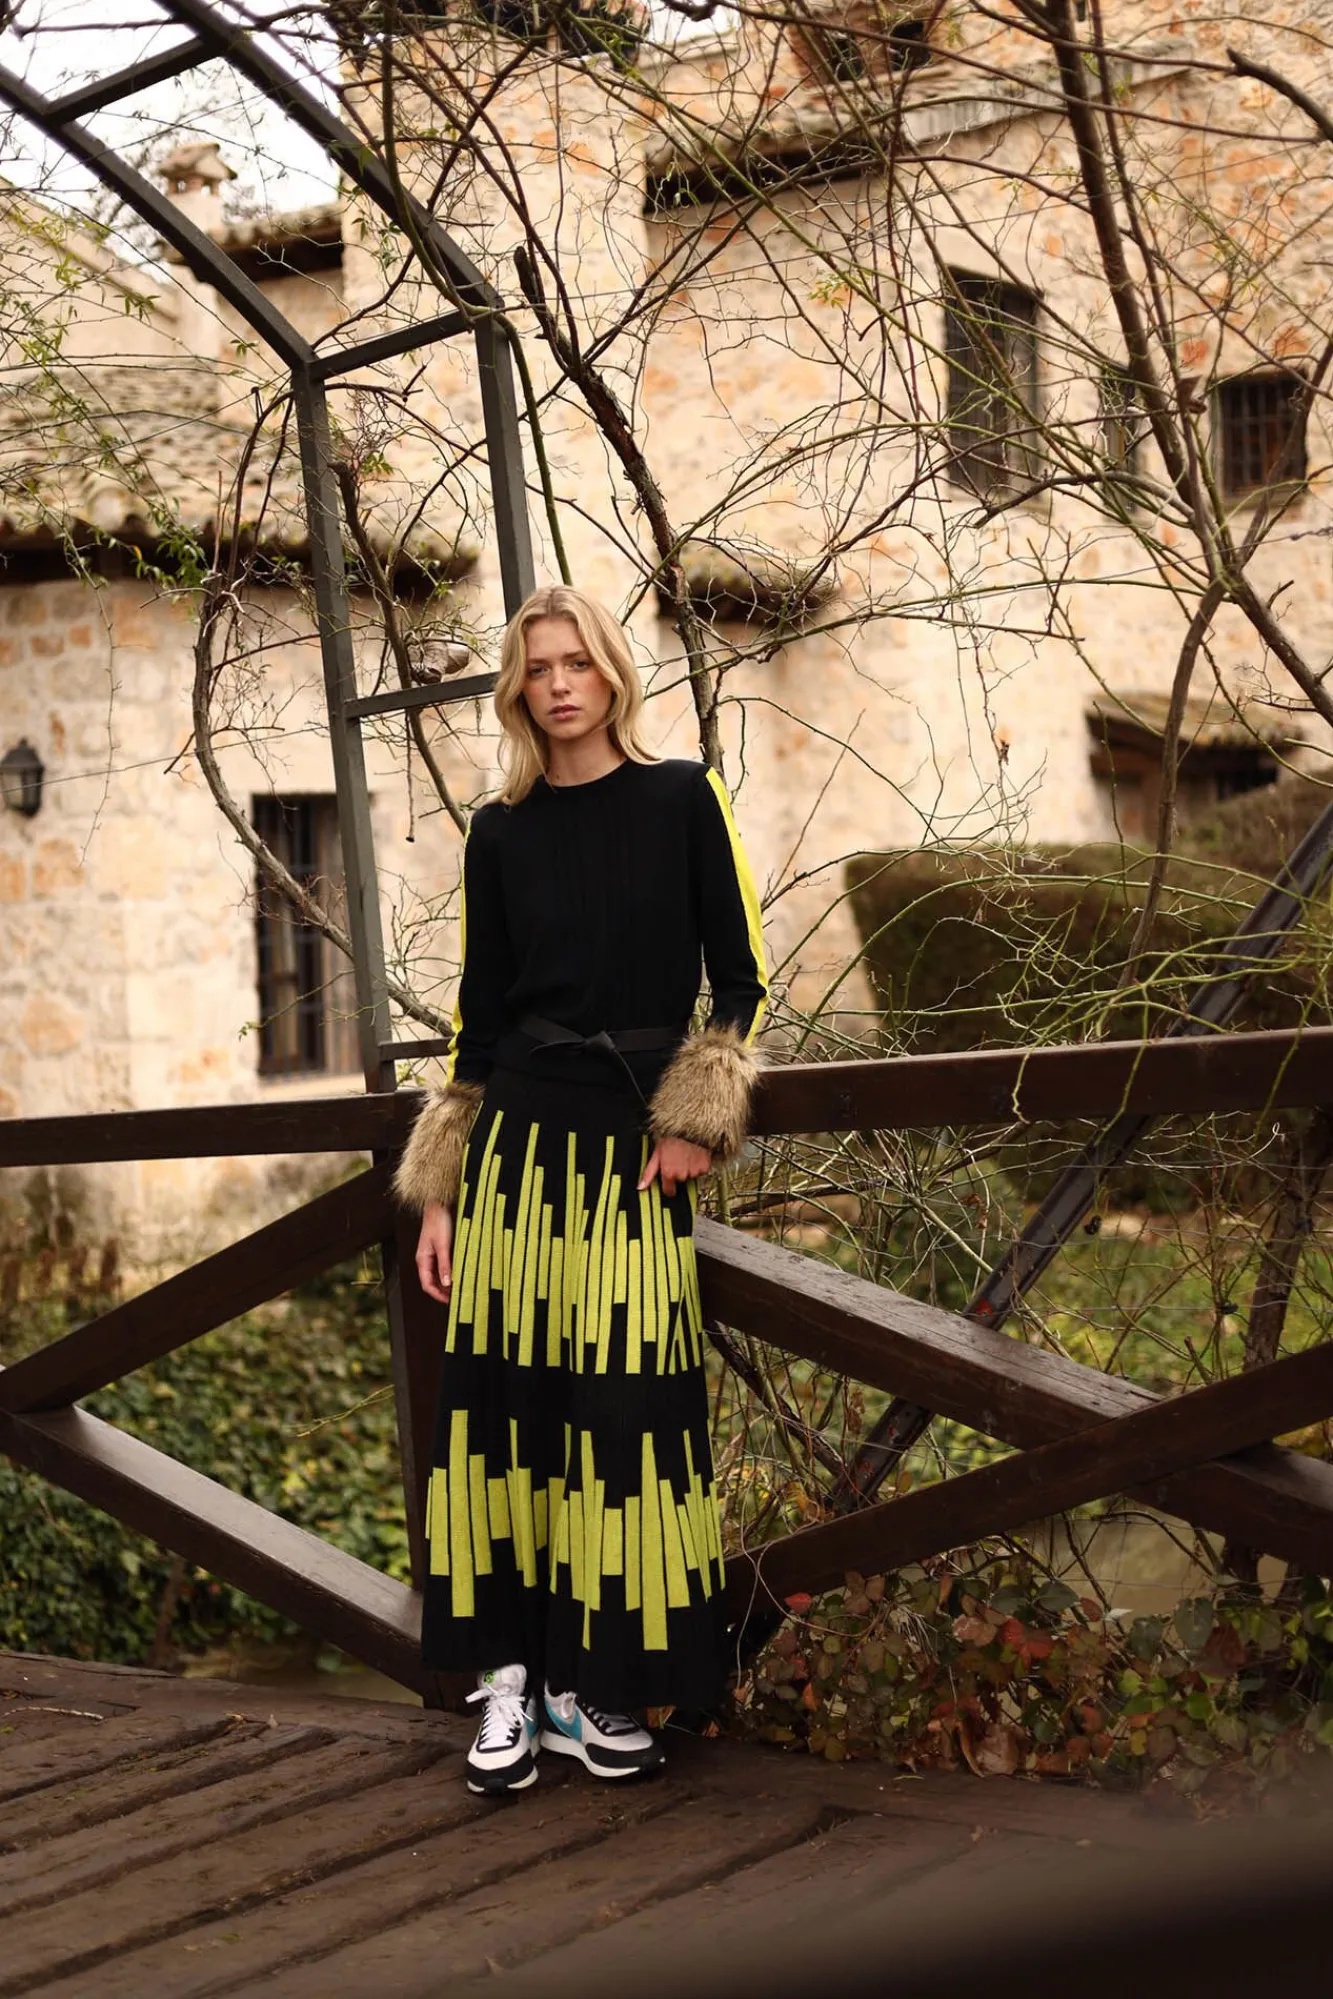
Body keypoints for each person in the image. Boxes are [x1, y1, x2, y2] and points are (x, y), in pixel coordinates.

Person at [393, 584, 768, 1798]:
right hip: (516, 1150)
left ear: (611, 674)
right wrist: (442, 1188)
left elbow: (743, 979)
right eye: (538, 668)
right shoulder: (498, 832)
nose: (558, 684)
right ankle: (510, 1679)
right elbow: (477, 1013)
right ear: (518, 690)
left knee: (626, 1419)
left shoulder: (683, 797)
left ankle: (597, 1684)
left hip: (630, 1152)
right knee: (505, 1415)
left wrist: (698, 1116)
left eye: (577, 663)